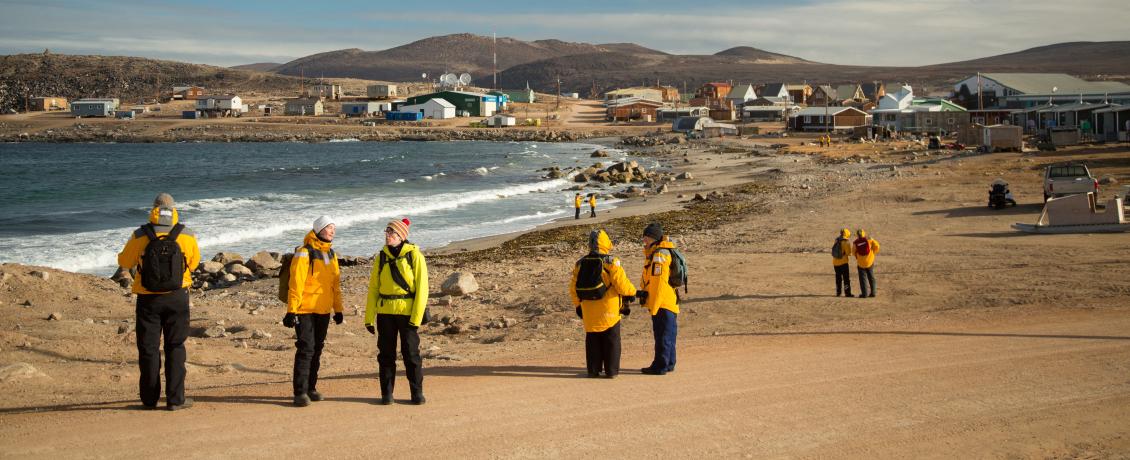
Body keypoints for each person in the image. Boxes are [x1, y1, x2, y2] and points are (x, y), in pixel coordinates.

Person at [116, 193, 200, 411]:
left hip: (148, 298)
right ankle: (175, 400)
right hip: (178, 296)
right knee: (175, 346)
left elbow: (125, 262)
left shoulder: (140, 234)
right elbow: (194, 262)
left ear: (154, 209)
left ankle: (149, 399)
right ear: (173, 209)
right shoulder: (186, 234)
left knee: (148, 349)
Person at [365, 218, 429, 405]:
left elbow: (422, 289)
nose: (388, 235)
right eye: (387, 231)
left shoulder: (414, 255)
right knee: (385, 354)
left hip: (408, 314)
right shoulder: (381, 257)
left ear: (401, 236)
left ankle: (416, 394)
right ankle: (387, 394)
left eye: (392, 232)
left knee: (411, 354)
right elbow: (373, 289)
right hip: (385, 313)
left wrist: (416, 318)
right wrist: (369, 318)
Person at [283, 216, 344, 407]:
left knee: (317, 349)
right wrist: (291, 311)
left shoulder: (332, 254)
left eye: (334, 228)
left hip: (324, 309)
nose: (332, 231)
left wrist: (339, 309)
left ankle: (311, 388)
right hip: (304, 310)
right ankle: (300, 392)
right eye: (328, 228)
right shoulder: (304, 253)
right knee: (306, 349)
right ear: (318, 230)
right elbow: (296, 283)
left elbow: (335, 285)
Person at [570, 229, 636, 378]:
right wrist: (632, 293)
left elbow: (573, 288)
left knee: (593, 341)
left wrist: (578, 305)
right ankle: (611, 371)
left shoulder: (580, 263)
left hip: (588, 310)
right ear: (606, 243)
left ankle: (593, 370)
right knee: (611, 341)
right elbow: (622, 285)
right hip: (609, 310)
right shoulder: (612, 262)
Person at [638, 223, 680, 375]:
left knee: (662, 335)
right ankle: (669, 363)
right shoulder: (661, 252)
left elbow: (658, 284)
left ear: (654, 238)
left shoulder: (659, 256)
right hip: (669, 301)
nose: (644, 241)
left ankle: (660, 366)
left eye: (647, 237)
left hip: (662, 302)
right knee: (668, 334)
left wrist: (654, 306)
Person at [853, 229, 881, 298]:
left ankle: (864, 294)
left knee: (863, 279)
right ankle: (873, 292)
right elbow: (877, 247)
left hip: (860, 263)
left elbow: (853, 252)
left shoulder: (855, 242)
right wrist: (873, 253)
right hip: (870, 262)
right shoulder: (869, 240)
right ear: (864, 234)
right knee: (871, 277)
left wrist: (858, 257)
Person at [832, 228, 854, 297]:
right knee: (846, 279)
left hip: (835, 262)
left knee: (838, 278)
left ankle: (838, 292)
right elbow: (849, 253)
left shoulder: (836, 240)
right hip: (843, 262)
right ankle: (847, 293)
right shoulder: (846, 242)